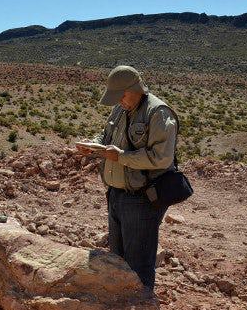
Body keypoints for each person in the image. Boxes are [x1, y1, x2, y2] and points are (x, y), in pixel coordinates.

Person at [76, 65, 178, 291]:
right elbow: (105, 136)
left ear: (136, 89)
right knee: (117, 258)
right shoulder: (120, 109)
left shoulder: (158, 113)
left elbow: (161, 158)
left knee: (138, 264)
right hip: (116, 194)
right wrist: (92, 146)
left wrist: (121, 157)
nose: (119, 100)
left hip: (141, 198)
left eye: (121, 94)